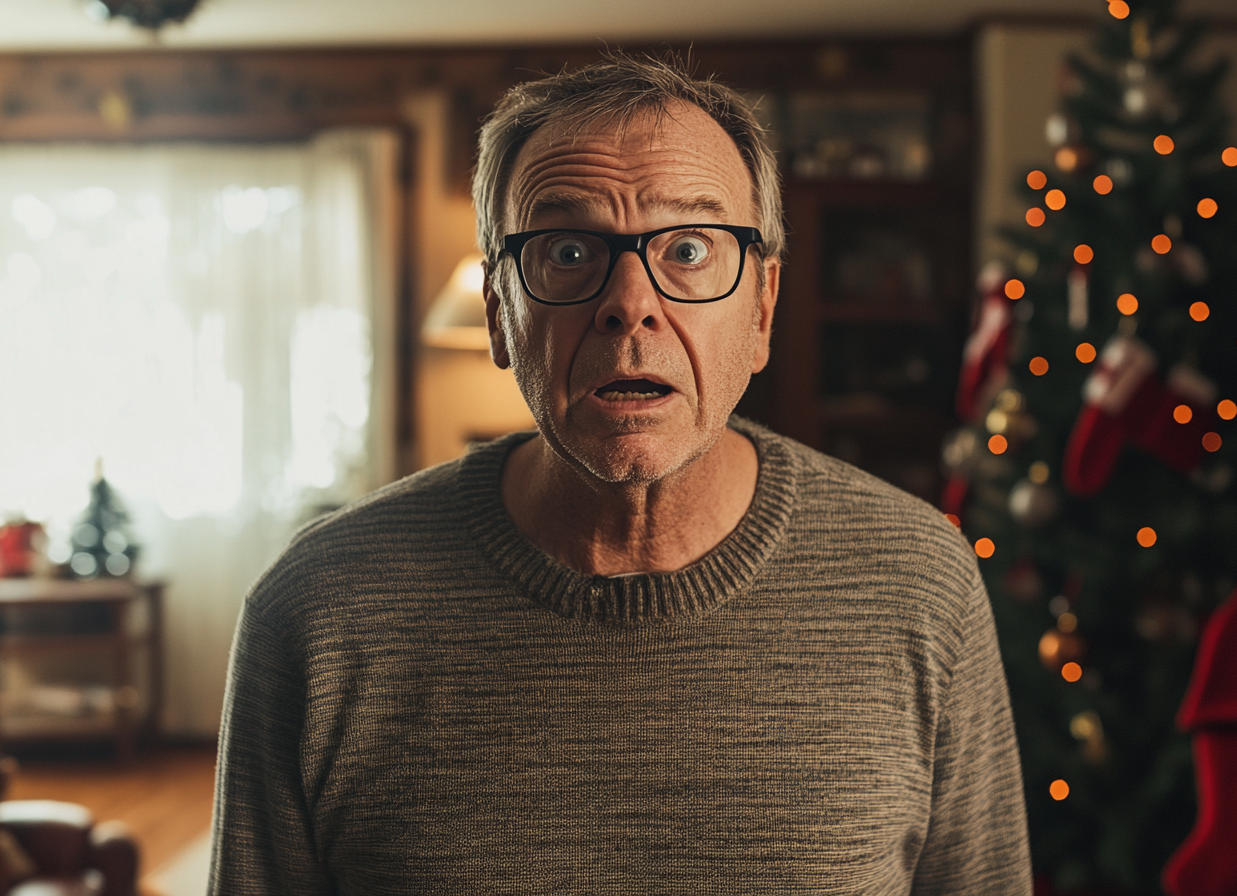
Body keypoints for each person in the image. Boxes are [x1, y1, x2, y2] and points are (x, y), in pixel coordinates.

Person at [209, 53, 1031, 895]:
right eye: (567, 249)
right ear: (500, 314)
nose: (630, 301)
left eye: (688, 247)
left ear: (763, 308)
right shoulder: (317, 608)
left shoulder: (918, 578)